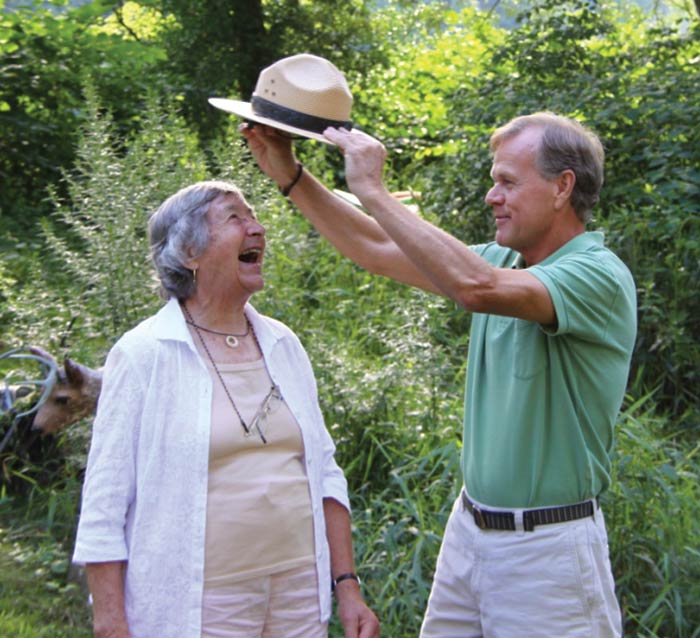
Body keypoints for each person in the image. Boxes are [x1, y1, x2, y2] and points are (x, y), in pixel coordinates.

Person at [231, 82, 637, 636]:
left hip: (548, 552)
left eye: (507, 183)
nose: (492, 196)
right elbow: (374, 248)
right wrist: (290, 174)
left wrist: (374, 189)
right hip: (471, 530)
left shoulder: (596, 274)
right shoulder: (501, 260)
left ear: (563, 187)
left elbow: (477, 286)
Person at [72, 179, 381, 638]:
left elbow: (324, 472)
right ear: (189, 253)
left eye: (253, 215)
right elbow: (105, 499)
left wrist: (347, 587)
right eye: (235, 218)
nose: (257, 227)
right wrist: (111, 622)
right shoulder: (143, 354)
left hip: (298, 593)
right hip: (199, 603)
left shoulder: (283, 344)